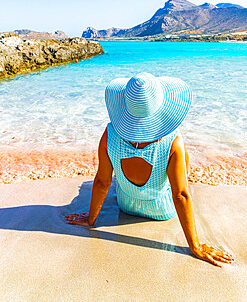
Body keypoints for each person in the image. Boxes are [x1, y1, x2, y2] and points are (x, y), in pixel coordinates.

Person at [66, 72, 234, 267]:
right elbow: (180, 195)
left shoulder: (110, 134)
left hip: (126, 205)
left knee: (104, 180)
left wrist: (91, 220)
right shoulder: (173, 142)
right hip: (162, 211)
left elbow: (103, 182)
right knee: (182, 167)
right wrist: (194, 246)